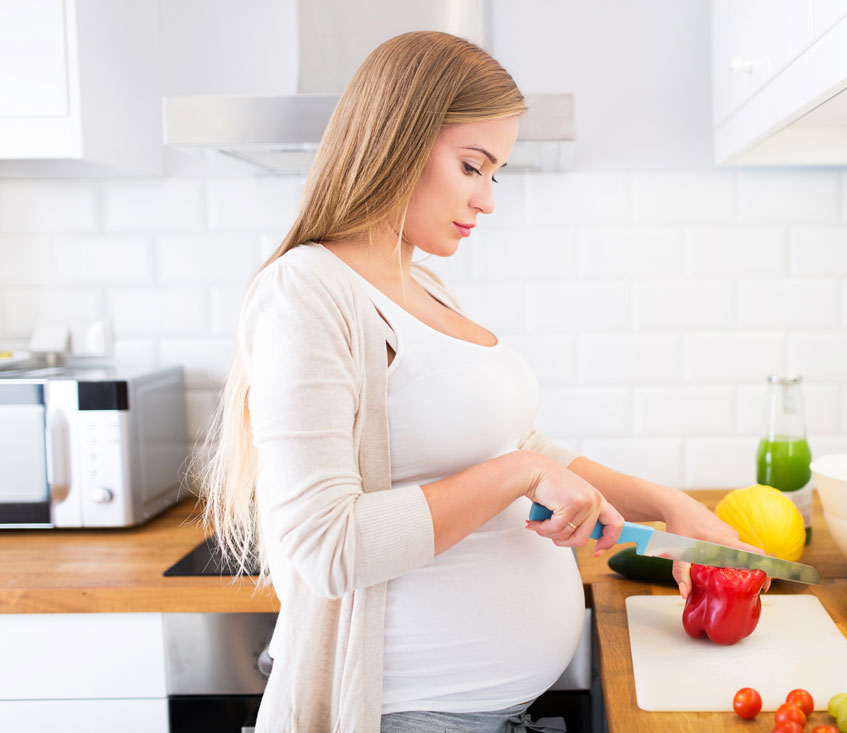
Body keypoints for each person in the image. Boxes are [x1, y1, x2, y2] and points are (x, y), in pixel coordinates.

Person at [196, 30, 763, 733]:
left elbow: (515, 443)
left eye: (496, 173)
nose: (488, 200)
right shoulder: (306, 292)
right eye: (473, 166)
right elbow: (327, 548)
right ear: (397, 140)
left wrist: (668, 506)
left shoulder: (423, 285)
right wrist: (517, 473)